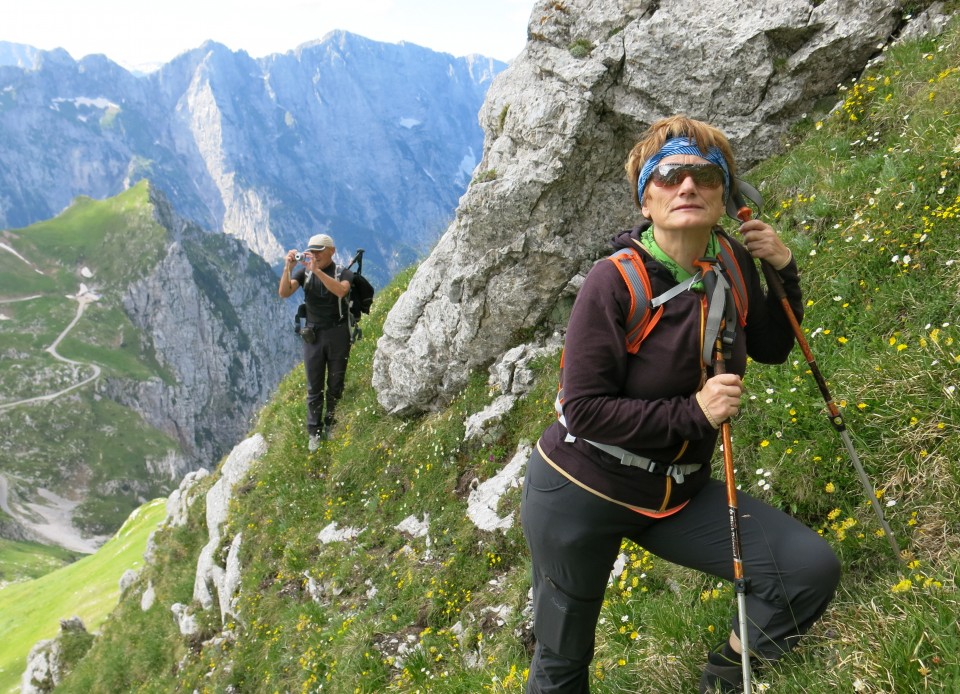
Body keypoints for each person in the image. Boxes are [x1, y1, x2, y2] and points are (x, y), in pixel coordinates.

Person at [520, 115, 840, 693]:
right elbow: (584, 409)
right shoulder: (612, 282)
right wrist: (695, 412)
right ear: (646, 199)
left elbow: (771, 347)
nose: (686, 186)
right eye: (668, 176)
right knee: (563, 658)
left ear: (724, 196)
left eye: (704, 174)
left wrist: (783, 270)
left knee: (807, 570)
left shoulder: (731, 264)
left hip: (676, 490)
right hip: (580, 490)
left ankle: (720, 682)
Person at [279, 233, 353, 452]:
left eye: (320, 250)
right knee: (314, 386)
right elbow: (284, 292)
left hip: (338, 333)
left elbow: (341, 290)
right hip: (313, 336)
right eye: (312, 250)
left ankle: (331, 422)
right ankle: (314, 432)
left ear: (332, 251)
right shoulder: (304, 274)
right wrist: (288, 269)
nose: (316, 255)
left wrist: (317, 271)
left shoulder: (343, 272)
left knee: (335, 383)